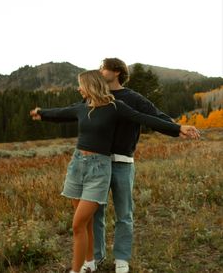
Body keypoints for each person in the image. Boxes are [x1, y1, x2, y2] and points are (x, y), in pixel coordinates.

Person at [30, 70, 199, 273]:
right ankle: (90, 261)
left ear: (91, 85)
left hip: (100, 167)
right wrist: (42, 113)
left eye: (80, 84)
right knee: (88, 221)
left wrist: (177, 128)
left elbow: (145, 118)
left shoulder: (115, 107)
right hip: (77, 166)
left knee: (80, 223)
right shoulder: (82, 107)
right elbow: (61, 113)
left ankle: (102, 263)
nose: (78, 88)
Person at [93, 58, 195, 273]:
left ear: (117, 71)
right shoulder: (97, 97)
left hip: (122, 164)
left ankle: (121, 259)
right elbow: (76, 113)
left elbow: (156, 116)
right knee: (95, 212)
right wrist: (46, 114)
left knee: (124, 214)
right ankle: (96, 257)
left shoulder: (133, 98)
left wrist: (177, 128)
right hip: (97, 164)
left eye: (104, 68)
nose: (100, 71)